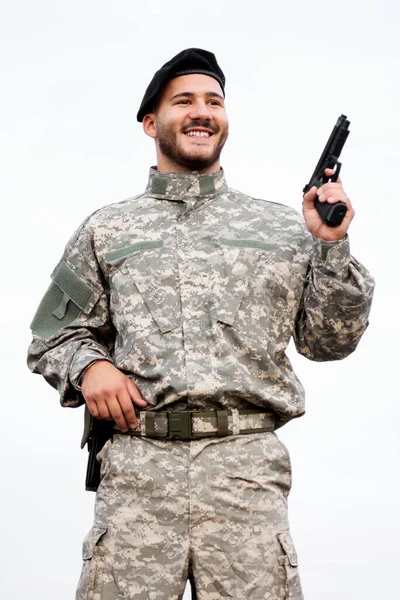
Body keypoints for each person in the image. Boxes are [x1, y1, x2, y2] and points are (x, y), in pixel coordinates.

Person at [27, 48, 374, 600]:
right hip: (139, 472)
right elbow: (51, 337)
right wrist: (89, 367)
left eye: (214, 101)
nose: (202, 111)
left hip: (246, 475)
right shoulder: (107, 229)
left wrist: (331, 247)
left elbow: (328, 342)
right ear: (150, 122)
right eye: (183, 100)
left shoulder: (283, 228)